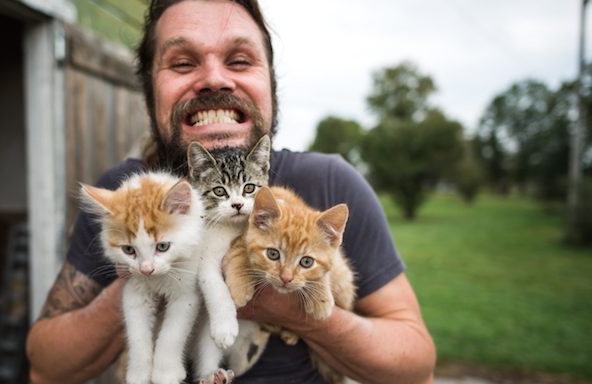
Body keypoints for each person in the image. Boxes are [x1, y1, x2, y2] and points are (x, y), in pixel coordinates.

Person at [26, 0, 436, 383]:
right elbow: (45, 366)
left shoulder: (328, 182)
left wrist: (293, 307)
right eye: (182, 62)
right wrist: (143, 272)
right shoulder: (125, 197)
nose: (214, 79)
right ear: (149, 91)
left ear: (270, 82)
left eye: (239, 60)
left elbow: (417, 364)